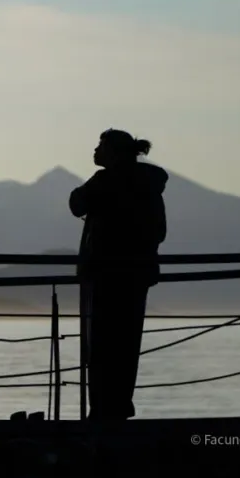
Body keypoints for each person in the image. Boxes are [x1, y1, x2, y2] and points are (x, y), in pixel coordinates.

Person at [69, 128, 169, 422]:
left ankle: (101, 410)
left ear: (113, 152)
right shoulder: (149, 185)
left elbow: (77, 203)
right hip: (137, 275)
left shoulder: (105, 181)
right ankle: (120, 405)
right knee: (127, 345)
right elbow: (159, 232)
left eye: (100, 146)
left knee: (100, 346)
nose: (95, 151)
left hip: (104, 275)